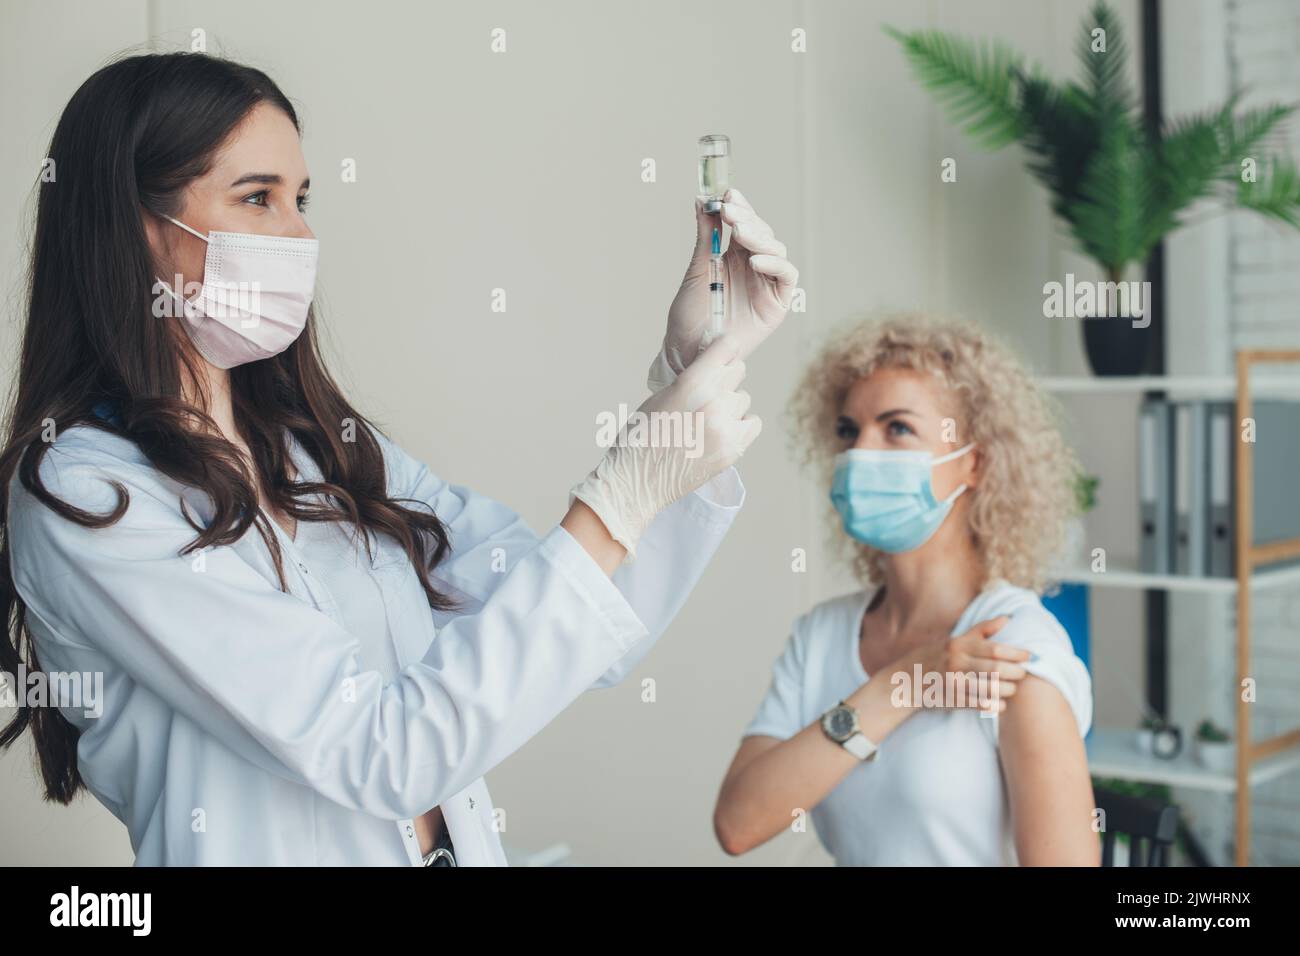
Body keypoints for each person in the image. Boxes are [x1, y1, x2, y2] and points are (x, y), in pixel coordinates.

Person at [0, 52, 798, 866]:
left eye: (301, 198)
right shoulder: (88, 494)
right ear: (135, 227)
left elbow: (583, 624)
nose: (300, 235)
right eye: (257, 198)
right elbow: (382, 753)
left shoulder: (320, 448)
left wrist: (687, 373)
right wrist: (616, 497)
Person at [713, 315, 1099, 866]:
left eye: (897, 428)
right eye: (849, 431)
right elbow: (738, 824)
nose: (860, 453)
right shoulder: (822, 635)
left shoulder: (1011, 649)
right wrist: (903, 686)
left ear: (973, 464)